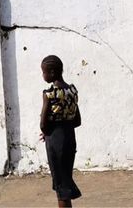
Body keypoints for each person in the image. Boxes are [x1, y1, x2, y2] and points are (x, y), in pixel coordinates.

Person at [40, 55, 82, 207]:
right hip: (70, 138)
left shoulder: (49, 94)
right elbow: (77, 121)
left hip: (55, 142)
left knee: (61, 186)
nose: (43, 75)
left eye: (43, 72)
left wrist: (48, 130)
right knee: (65, 180)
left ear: (51, 73)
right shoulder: (72, 91)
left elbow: (43, 125)